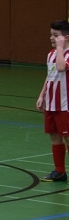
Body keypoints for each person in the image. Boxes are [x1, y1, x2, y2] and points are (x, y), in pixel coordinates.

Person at [37, 19, 69, 183]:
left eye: (55, 35)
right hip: (51, 103)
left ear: (66, 37)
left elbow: (62, 68)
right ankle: (60, 172)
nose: (51, 38)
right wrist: (42, 95)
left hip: (65, 105)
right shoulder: (51, 54)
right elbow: (50, 75)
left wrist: (60, 48)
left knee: (68, 137)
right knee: (54, 136)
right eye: (51, 34)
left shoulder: (66, 54)